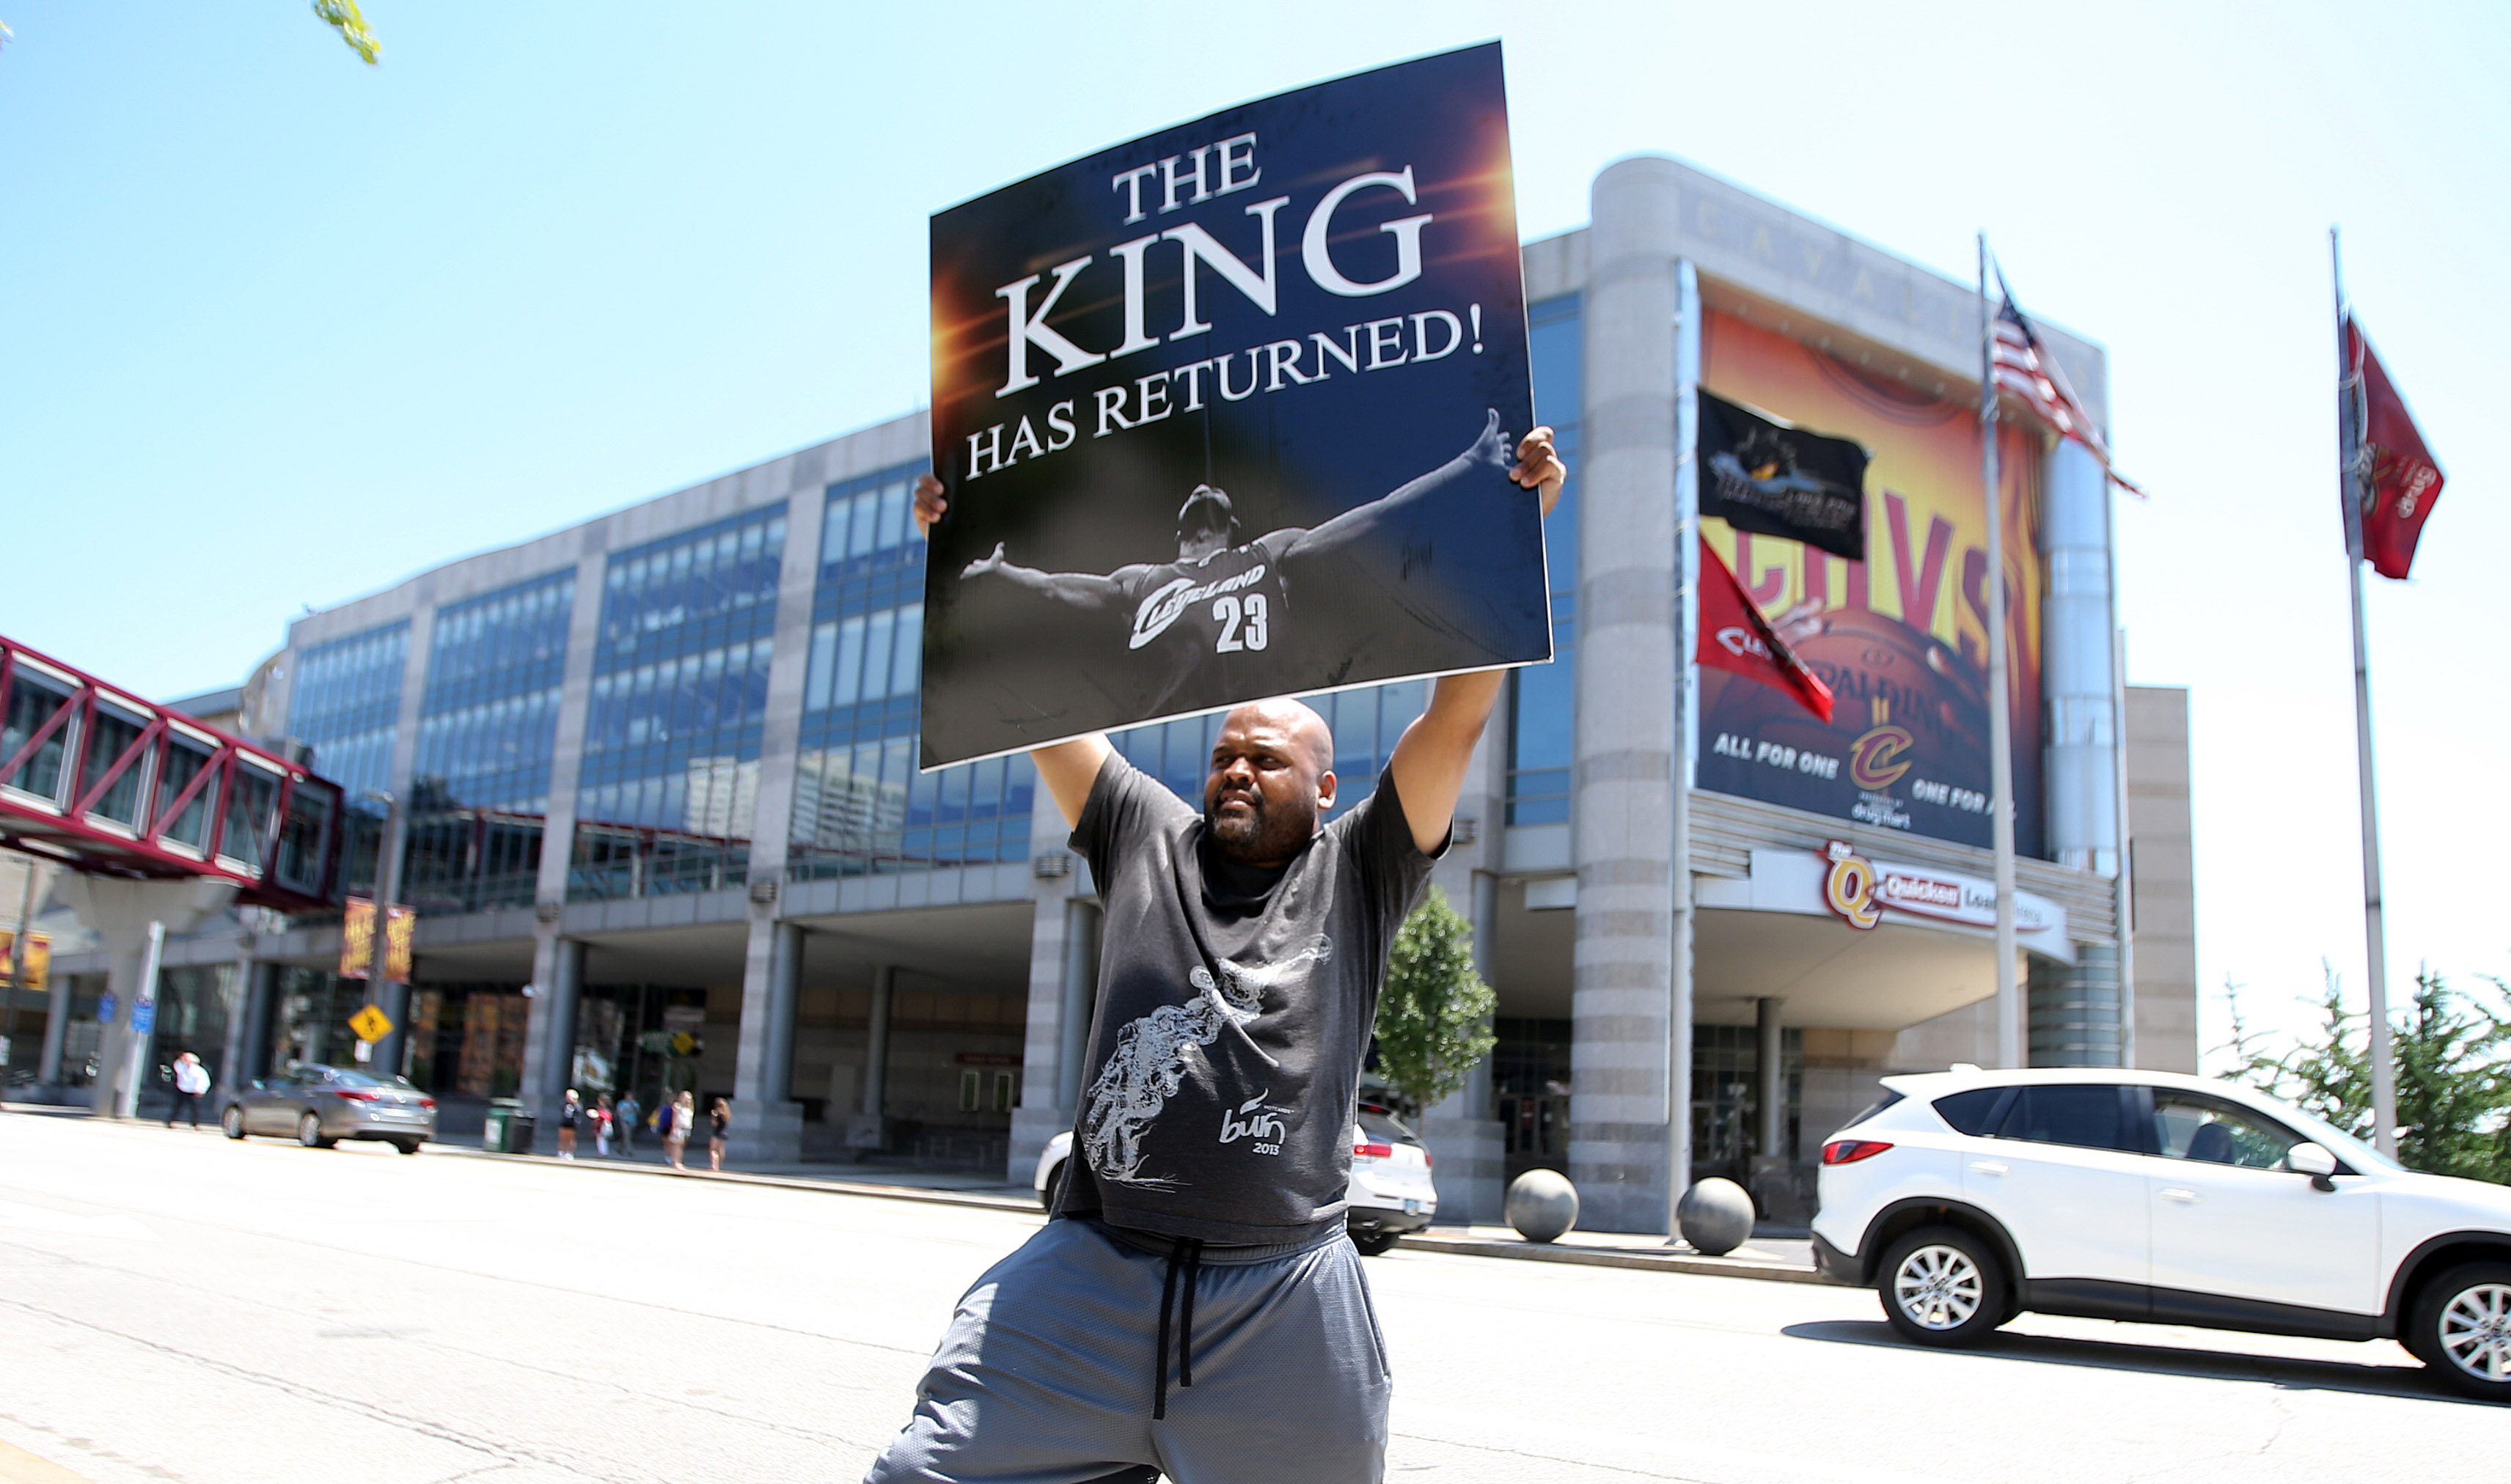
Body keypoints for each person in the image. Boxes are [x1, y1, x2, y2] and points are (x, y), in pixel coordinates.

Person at [864, 424, 1564, 1484]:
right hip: (1091, 1271)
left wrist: (1515, 531)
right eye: (1224, 754)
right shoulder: (1141, 834)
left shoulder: (1363, 867)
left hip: (1279, 1300)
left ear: (1327, 788)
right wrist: (959, 554)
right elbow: (1044, 695)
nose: (1235, 769)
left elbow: (1457, 714)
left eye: (1266, 758)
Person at [946, 408, 1527, 721]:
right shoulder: (1141, 580)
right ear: (1180, 530)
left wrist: (1464, 466)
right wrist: (1003, 573)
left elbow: (1372, 518)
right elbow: (1055, 590)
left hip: (1254, 726)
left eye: (1213, 506)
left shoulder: (1267, 554)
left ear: (1232, 527)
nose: (1204, 491)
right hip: (1165, 729)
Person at [164, 1051, 210, 1128]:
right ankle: (169, 1121)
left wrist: (200, 1090)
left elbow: (203, 1080)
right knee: (177, 1107)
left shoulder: (198, 1070)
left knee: (194, 1109)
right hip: (181, 1089)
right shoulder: (181, 1067)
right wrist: (183, 1059)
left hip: (193, 1091)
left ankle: (195, 1123)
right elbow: (177, 1066)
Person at [665, 1090, 696, 1171]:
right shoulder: (678, 1106)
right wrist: (674, 1128)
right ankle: (675, 1162)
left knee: (681, 1147)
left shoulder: (690, 1108)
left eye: (689, 1099)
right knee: (677, 1146)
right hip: (679, 1127)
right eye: (686, 1098)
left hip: (687, 1129)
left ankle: (679, 1161)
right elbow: (675, 1118)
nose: (688, 1100)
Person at [615, 1090, 642, 1157]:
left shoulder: (635, 1103)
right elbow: (619, 1112)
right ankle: (630, 1151)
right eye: (627, 1096)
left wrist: (635, 1108)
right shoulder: (622, 1103)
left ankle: (620, 1148)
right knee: (627, 1136)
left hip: (632, 1122)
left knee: (627, 1136)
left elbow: (639, 1112)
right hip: (624, 1121)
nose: (629, 1097)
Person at [707, 1097, 730, 1172]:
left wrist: (713, 1117)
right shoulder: (726, 1114)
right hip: (724, 1133)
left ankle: (714, 1166)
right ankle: (719, 1165)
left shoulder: (716, 1113)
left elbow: (714, 1124)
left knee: (713, 1150)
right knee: (721, 1151)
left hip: (717, 1133)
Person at [557, 1088, 581, 1159]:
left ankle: (569, 1152)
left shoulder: (577, 1105)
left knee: (571, 1139)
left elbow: (579, 1111)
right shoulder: (564, 1103)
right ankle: (561, 1151)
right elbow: (561, 1107)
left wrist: (574, 1102)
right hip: (564, 1122)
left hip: (572, 1123)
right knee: (562, 1138)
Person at [592, 1093, 615, 1158]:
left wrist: (600, 1116)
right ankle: (603, 1152)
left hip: (604, 1124)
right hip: (601, 1123)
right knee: (601, 1138)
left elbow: (608, 1117)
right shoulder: (599, 1107)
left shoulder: (606, 1108)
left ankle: (603, 1152)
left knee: (602, 1138)